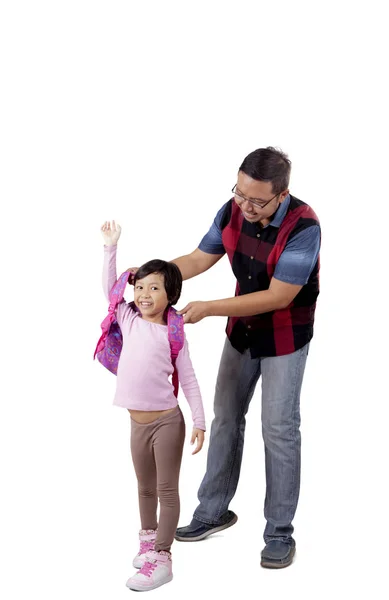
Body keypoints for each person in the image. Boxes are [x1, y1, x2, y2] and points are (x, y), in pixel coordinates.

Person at [170, 147, 321, 569]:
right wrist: (157, 272)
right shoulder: (233, 209)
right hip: (243, 332)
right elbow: (200, 258)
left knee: (279, 429)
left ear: (281, 194)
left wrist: (208, 308)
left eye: (257, 200)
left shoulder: (304, 226)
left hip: (285, 336)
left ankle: (279, 533)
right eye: (240, 194)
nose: (246, 206)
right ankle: (213, 511)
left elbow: (278, 296)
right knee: (226, 417)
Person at [99, 221, 206, 591]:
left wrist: (199, 420)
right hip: (137, 423)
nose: (144, 294)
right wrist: (111, 250)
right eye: (140, 286)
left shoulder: (173, 332)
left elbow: (188, 379)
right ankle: (147, 543)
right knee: (143, 488)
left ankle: (163, 556)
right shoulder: (127, 318)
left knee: (166, 490)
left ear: (170, 294)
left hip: (166, 422)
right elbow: (109, 293)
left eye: (154, 288)